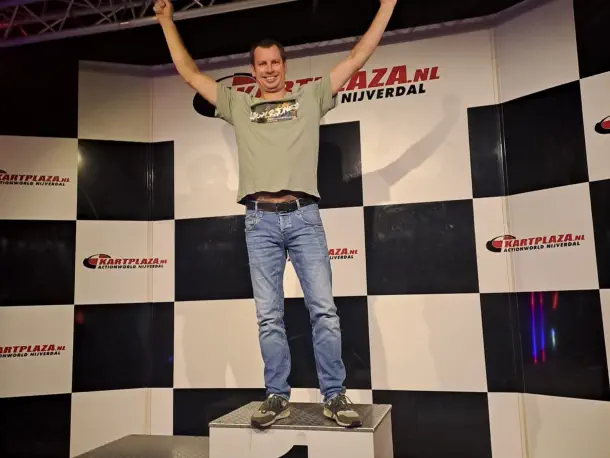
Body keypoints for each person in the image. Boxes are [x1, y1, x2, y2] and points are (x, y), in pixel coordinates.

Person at [154, 0, 397, 429]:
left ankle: (334, 395)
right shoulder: (238, 104)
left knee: (324, 312)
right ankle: (276, 396)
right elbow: (190, 74)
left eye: (275, 62)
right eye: (261, 64)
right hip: (259, 221)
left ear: (284, 66)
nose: (269, 69)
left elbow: (358, 56)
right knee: (269, 316)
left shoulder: (310, 97)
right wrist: (166, 22)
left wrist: (388, 5)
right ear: (253, 70)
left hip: (304, 218)